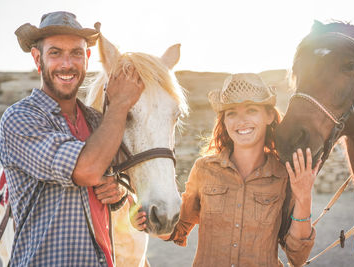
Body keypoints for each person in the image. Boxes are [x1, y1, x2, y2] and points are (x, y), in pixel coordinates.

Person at [0, 11, 144, 266]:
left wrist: (117, 190)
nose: (67, 64)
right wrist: (120, 103)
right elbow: (86, 171)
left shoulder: (98, 122)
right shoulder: (19, 118)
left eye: (76, 53)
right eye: (55, 53)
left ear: (87, 58)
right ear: (37, 58)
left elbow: (117, 182)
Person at [132, 73, 320, 267]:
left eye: (251, 110)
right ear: (224, 121)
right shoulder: (204, 169)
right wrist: (146, 223)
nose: (241, 121)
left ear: (269, 115)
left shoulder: (283, 175)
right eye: (231, 112)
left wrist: (304, 196)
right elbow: (177, 230)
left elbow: (298, 257)